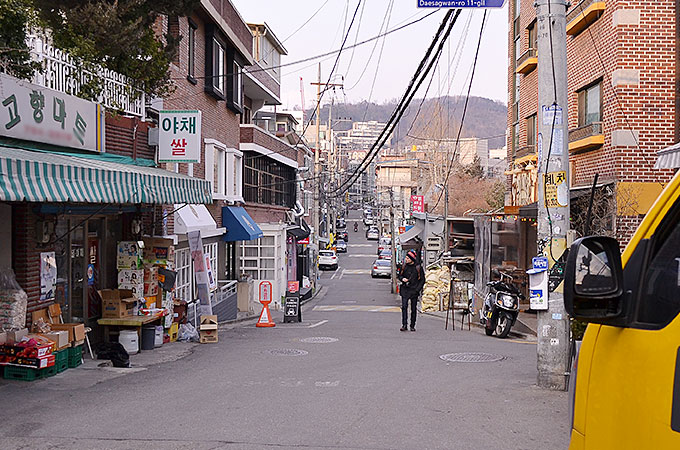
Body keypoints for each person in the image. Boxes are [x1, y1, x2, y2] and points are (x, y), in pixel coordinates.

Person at [399, 249, 425, 332]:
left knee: (413, 309)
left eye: (408, 258)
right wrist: (402, 279)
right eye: (406, 258)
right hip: (405, 290)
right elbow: (399, 275)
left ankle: (412, 325)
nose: (406, 259)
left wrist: (417, 289)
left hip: (414, 290)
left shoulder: (418, 268)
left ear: (412, 259)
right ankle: (404, 325)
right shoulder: (403, 266)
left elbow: (422, 280)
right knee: (404, 307)